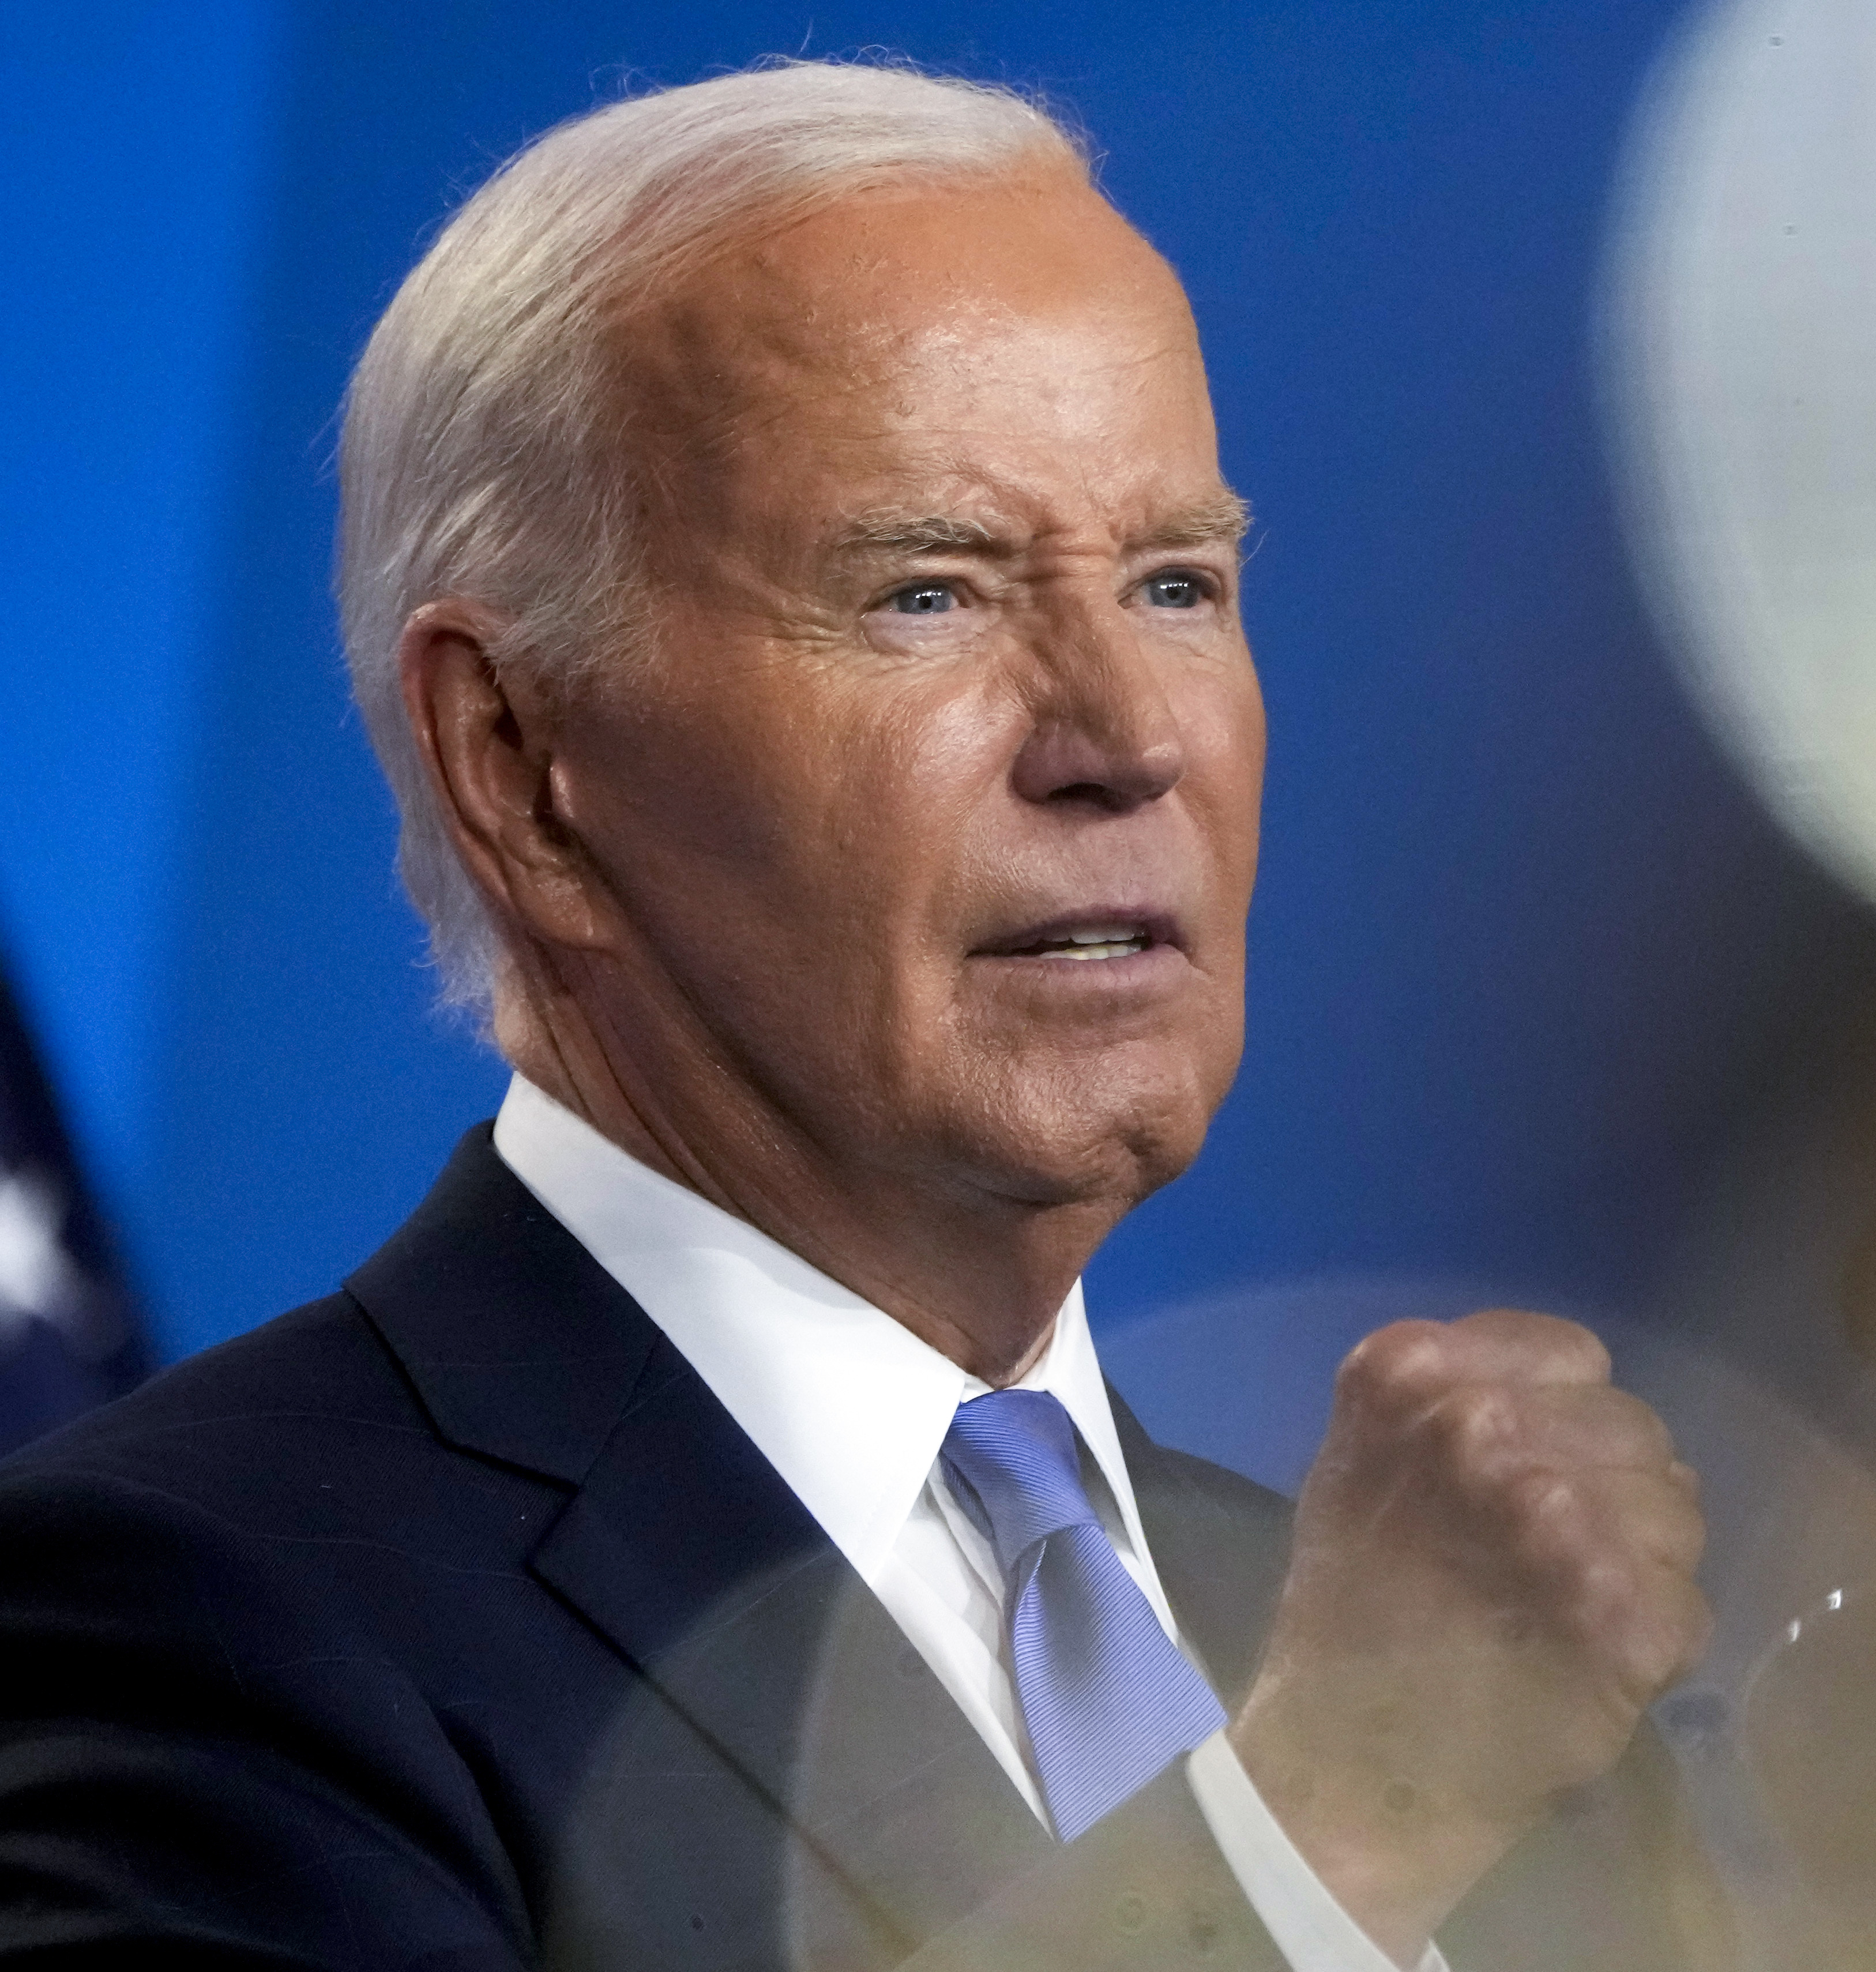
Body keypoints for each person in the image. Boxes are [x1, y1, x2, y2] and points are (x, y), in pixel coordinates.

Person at [0, 60, 1719, 1972]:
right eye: (928, 594)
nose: (1126, 738)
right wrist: (1330, 1821)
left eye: (1175, 581)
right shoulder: (188, 1618)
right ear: (517, 756)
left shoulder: (1461, 1664)